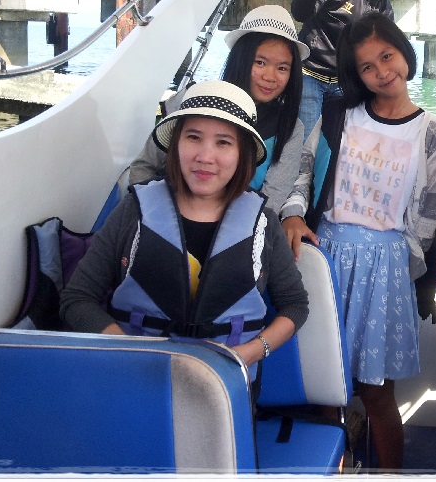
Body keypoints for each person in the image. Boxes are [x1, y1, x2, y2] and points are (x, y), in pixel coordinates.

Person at [281, 12, 436, 471]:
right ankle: (331, 467)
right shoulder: (340, 115)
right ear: (356, 75)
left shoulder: (430, 131)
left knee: (377, 394)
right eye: (367, 67)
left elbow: (430, 212)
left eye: (387, 56)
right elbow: (303, 169)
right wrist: (293, 213)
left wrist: (402, 269)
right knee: (325, 387)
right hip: (327, 258)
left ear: (405, 52)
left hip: (386, 268)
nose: (381, 72)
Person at [62, 81, 309, 391]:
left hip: (224, 388)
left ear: (243, 153)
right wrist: (129, 352)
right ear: (175, 144)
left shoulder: (264, 223)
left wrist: (249, 353)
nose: (205, 156)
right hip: (134, 382)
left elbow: (295, 305)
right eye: (193, 137)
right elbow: (77, 299)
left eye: (223, 142)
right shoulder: (133, 210)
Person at [129, 5, 308, 212]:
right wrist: (153, 215)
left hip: (242, 226)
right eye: (260, 62)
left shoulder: (290, 128)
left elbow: (272, 199)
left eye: (282, 68)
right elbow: (144, 167)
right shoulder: (191, 100)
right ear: (240, 59)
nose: (270, 77)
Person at [291, 0, 423, 139]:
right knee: (304, 142)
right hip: (309, 74)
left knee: (337, 142)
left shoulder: (385, 10)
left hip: (343, 84)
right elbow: (300, 13)